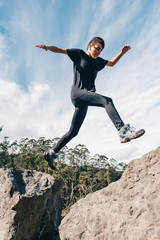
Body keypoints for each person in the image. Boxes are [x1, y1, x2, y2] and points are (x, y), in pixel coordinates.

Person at [36, 37, 145, 170]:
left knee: (73, 131)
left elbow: (111, 63)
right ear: (90, 46)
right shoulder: (79, 54)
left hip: (85, 99)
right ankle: (122, 130)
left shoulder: (98, 62)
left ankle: (52, 153)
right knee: (107, 101)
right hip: (78, 93)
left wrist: (122, 53)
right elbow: (60, 50)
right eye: (97, 48)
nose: (99, 52)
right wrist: (47, 47)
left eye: (101, 50)